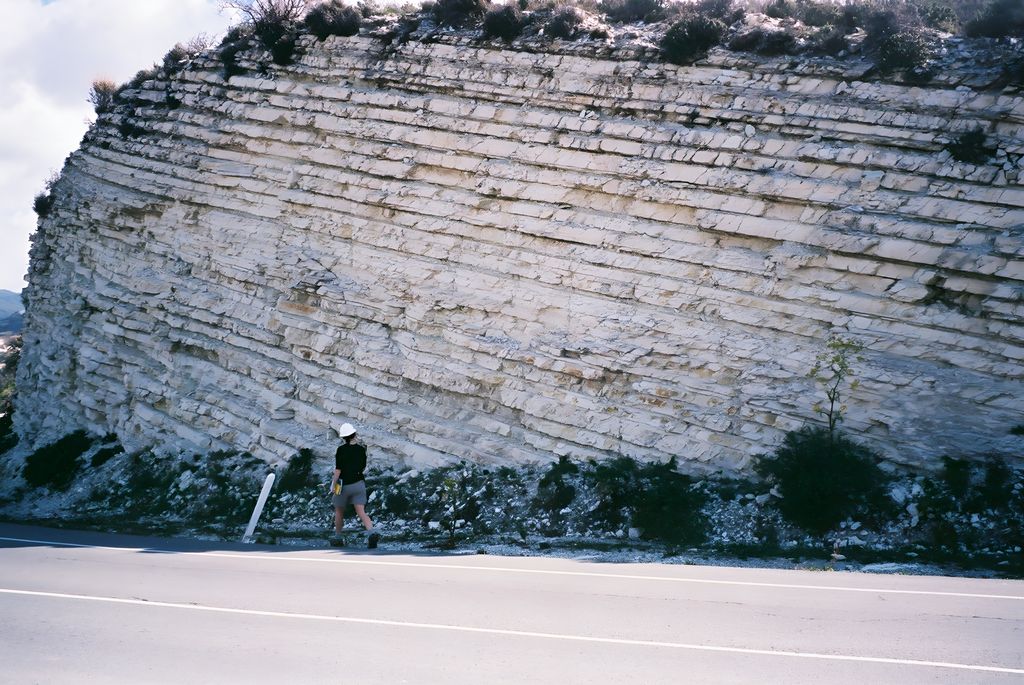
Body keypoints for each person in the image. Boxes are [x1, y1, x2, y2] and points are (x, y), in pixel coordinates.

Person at [329, 422, 380, 549]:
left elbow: (338, 470)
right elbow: (362, 466)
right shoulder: (361, 449)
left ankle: (338, 537)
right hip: (359, 483)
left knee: (339, 511)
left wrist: (333, 484)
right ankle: (371, 533)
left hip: (343, 486)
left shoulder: (341, 450)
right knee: (361, 512)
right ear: (354, 434)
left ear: (343, 437)